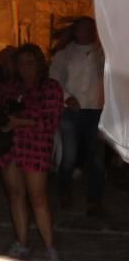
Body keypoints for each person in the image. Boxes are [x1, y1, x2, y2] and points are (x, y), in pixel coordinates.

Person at [0, 44, 64, 261]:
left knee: (38, 198)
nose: (25, 68)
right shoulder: (10, 88)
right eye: (21, 64)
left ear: (39, 64)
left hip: (35, 146)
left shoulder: (50, 88)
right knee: (15, 195)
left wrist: (21, 122)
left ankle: (50, 246)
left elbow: (50, 121)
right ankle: (21, 242)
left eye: (30, 63)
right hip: (11, 147)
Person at [49, 17, 106, 215]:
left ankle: (95, 200)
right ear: (76, 31)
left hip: (96, 110)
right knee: (69, 155)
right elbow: (54, 79)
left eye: (92, 29)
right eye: (85, 29)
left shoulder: (102, 53)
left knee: (96, 157)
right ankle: (64, 191)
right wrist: (67, 97)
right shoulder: (64, 54)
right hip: (71, 111)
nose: (89, 32)